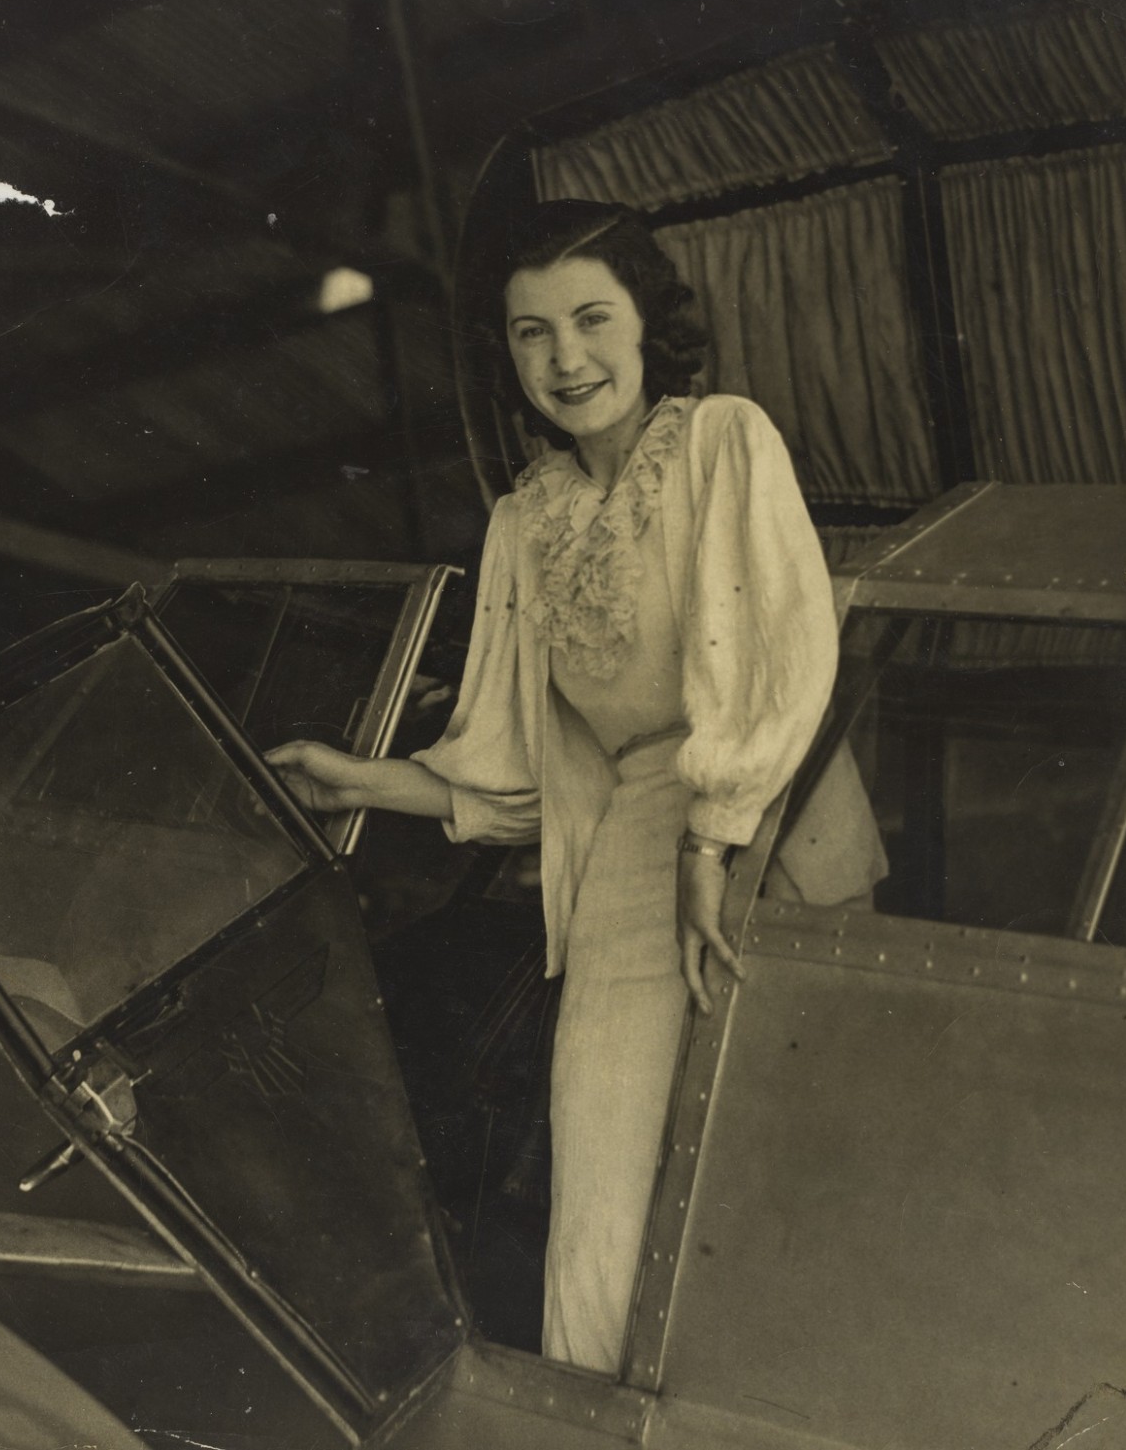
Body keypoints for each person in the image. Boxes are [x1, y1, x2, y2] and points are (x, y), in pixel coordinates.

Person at [266, 200, 885, 1375]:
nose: (566, 359)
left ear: (649, 325)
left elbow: (789, 664)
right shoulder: (521, 522)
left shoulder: (722, 440)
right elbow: (503, 776)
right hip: (633, 851)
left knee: (794, 1164)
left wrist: (714, 841)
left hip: (776, 819)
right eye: (529, 333)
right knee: (600, 1155)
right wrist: (353, 776)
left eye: (592, 319)